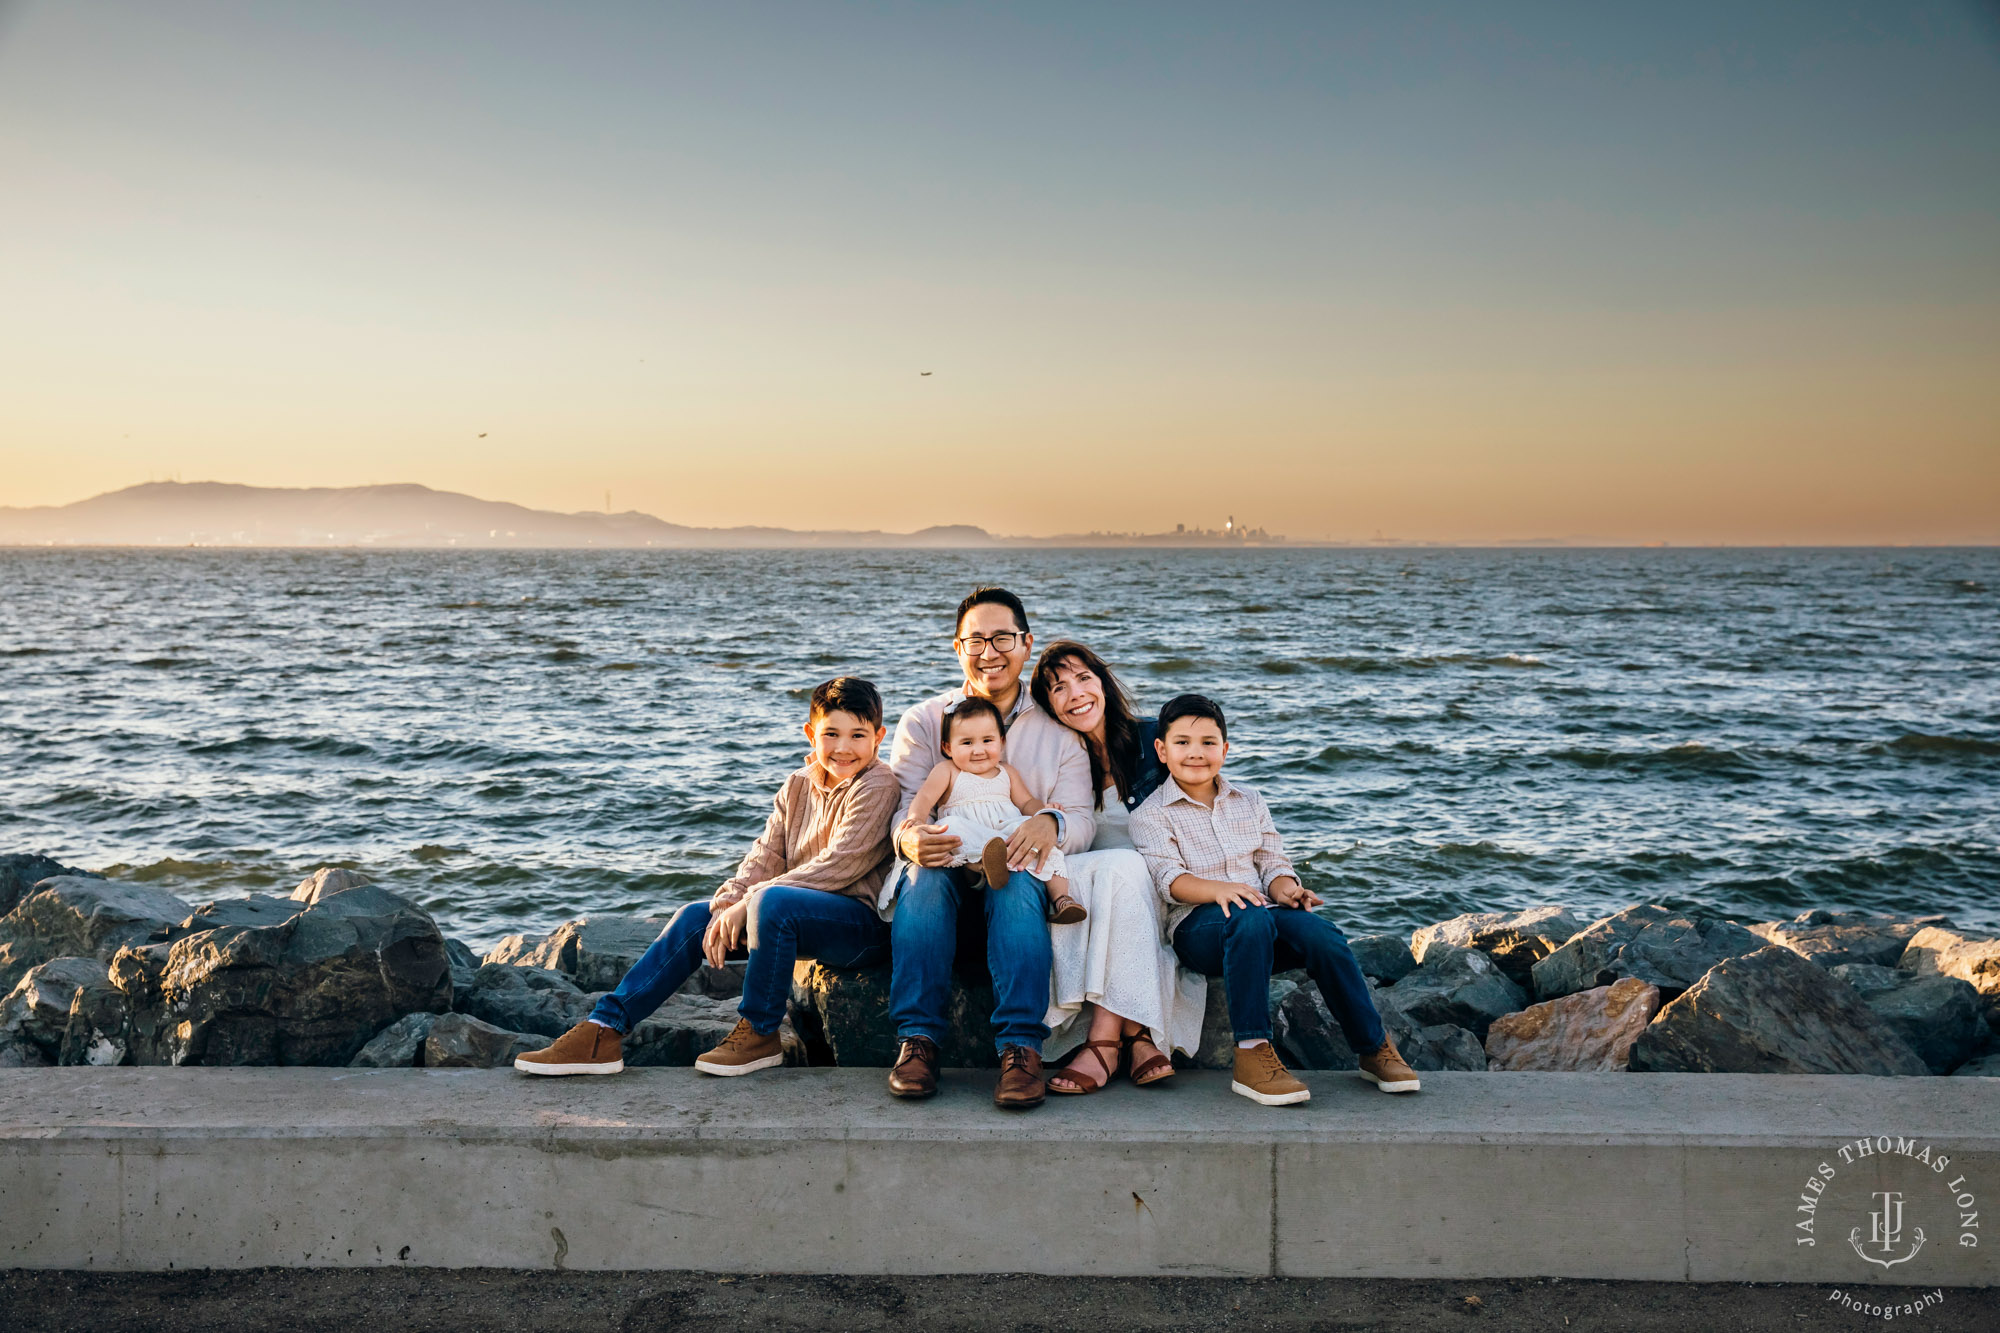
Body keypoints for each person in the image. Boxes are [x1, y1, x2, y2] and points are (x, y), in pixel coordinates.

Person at [515, 676, 899, 1078]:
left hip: (860, 926)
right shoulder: (797, 785)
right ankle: (604, 1030)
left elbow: (840, 864)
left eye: (857, 735)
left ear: (878, 737)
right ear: (810, 734)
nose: (842, 747)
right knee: (695, 917)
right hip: (793, 913)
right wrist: (729, 905)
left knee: (772, 902)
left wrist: (750, 904)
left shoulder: (879, 784)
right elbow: (765, 856)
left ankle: (760, 1032)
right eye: (831, 733)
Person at [1130, 693, 1421, 1106]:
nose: (1196, 753)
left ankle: (1372, 1046)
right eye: (1182, 743)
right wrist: (1218, 890)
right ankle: (1252, 1054)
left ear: (1225, 750)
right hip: (1199, 929)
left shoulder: (1249, 801)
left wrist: (1288, 888)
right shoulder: (1151, 813)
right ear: (1161, 750)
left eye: (1208, 743)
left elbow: (1271, 862)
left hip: (1261, 916)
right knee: (1248, 917)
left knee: (1322, 934)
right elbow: (1168, 879)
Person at [882, 586, 1096, 1109]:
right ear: (958, 647)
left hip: (1011, 870)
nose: (989, 651)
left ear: (1025, 643)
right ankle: (919, 1041)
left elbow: (1083, 819)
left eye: (1002, 637)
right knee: (922, 876)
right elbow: (905, 805)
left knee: (1020, 876)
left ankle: (1020, 1049)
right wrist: (909, 837)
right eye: (975, 639)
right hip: (949, 860)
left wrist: (1050, 823)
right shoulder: (924, 720)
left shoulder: (1059, 731)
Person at [1030, 641, 1204, 1094]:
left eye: (1084, 679)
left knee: (1127, 869)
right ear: (1048, 706)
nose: (1076, 694)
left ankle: (1105, 1040)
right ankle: (1138, 1034)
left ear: (1103, 683)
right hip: (1089, 884)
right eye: (1058, 688)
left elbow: (1209, 807)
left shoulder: (1153, 741)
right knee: (1117, 871)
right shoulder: (1058, 759)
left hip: (1165, 883)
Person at [901, 695, 1086, 924]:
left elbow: (1027, 803)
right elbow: (925, 797)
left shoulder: (1007, 772)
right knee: (952, 829)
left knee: (1039, 839)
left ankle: (1062, 899)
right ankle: (982, 868)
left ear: (1002, 742)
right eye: (967, 743)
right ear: (948, 747)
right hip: (971, 834)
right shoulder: (946, 771)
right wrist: (915, 820)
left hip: (1004, 837)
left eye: (987, 740)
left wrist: (1045, 813)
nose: (978, 750)